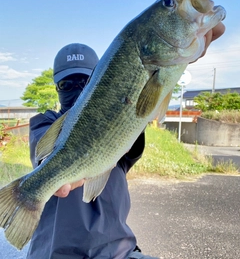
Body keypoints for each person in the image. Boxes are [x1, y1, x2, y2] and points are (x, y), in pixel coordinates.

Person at [26, 23, 225, 259]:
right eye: (66, 85)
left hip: (119, 252)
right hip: (54, 254)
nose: (76, 89)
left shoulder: (120, 124)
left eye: (86, 81)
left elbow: (143, 103)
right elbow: (44, 157)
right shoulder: (43, 123)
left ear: (101, 80)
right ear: (57, 89)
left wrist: (171, 63)